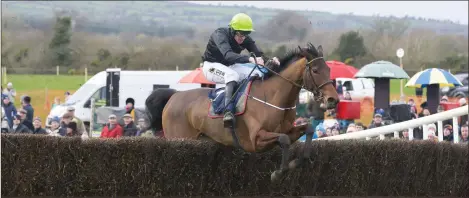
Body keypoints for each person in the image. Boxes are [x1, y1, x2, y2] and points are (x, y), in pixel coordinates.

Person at [201, 13, 280, 127]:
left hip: (230, 66)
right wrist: (250, 59)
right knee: (232, 75)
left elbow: (258, 55)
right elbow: (228, 55)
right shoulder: (220, 34)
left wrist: (271, 60)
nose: (242, 37)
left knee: (258, 73)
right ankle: (228, 111)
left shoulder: (245, 38)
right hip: (211, 66)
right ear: (232, 30)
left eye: (246, 34)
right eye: (240, 34)